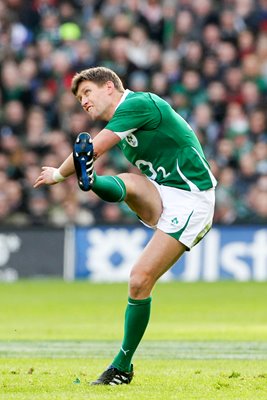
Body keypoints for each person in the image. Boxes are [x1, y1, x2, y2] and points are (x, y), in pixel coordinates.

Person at [34, 66, 217, 385]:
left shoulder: (137, 104)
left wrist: (62, 174)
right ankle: (90, 182)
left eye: (87, 93)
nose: (84, 102)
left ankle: (122, 366)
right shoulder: (124, 119)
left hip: (192, 198)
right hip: (163, 193)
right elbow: (87, 151)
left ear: (109, 87)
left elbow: (93, 148)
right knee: (129, 181)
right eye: (79, 99)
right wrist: (63, 173)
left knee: (138, 280)